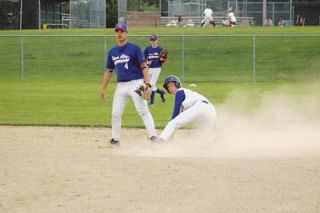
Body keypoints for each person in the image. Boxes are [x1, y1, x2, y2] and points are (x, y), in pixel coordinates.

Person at [99, 22, 158, 146]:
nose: (119, 34)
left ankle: (153, 137)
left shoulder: (135, 48)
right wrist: (103, 89)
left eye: (122, 31)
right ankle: (115, 140)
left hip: (137, 82)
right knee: (115, 113)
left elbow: (144, 66)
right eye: (117, 31)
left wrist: (147, 83)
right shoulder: (112, 52)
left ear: (126, 33)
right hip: (121, 85)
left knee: (142, 110)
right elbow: (108, 71)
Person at [158, 75, 217, 141]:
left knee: (172, 123)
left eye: (172, 85)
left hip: (199, 107)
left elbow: (176, 113)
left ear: (177, 84)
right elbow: (180, 115)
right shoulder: (187, 94)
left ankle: (161, 140)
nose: (170, 88)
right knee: (203, 135)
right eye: (168, 87)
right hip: (211, 110)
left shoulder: (180, 91)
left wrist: (169, 130)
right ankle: (216, 141)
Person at [143, 34, 166, 106]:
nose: (153, 41)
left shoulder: (160, 49)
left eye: (154, 40)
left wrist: (162, 60)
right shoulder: (147, 49)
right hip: (149, 68)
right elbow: (144, 58)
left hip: (157, 68)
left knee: (151, 84)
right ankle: (161, 92)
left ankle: (151, 102)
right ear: (150, 41)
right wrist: (147, 62)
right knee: (148, 83)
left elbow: (164, 60)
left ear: (157, 40)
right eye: (152, 40)